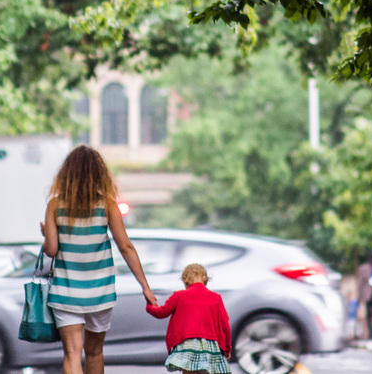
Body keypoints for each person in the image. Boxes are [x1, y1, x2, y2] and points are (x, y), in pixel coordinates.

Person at [42, 145, 156, 374]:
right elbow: (125, 246)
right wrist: (144, 286)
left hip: (67, 290)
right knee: (94, 352)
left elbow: (51, 250)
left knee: (72, 354)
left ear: (67, 174)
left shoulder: (55, 205)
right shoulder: (107, 205)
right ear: (99, 173)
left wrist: (46, 235)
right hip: (100, 291)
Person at [146, 263, 232, 374]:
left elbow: (161, 312)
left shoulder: (179, 295)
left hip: (187, 344)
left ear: (185, 279)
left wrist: (149, 305)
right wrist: (227, 348)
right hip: (210, 346)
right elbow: (225, 324)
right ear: (205, 279)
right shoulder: (216, 298)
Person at [354, 249, 372, 339]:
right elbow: (361, 283)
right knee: (369, 314)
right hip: (367, 294)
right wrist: (360, 297)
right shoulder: (364, 268)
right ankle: (370, 332)